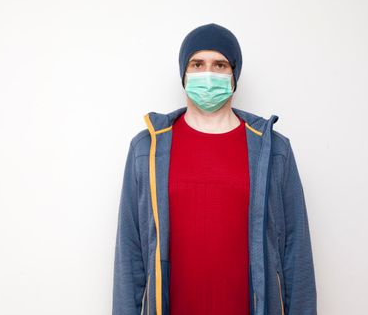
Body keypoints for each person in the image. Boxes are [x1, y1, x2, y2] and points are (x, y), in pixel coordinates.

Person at [112, 23, 317, 315]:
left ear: (234, 75)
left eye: (219, 65)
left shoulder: (273, 150)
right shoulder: (146, 148)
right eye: (197, 64)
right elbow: (129, 256)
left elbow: (297, 255)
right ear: (183, 73)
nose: (208, 74)